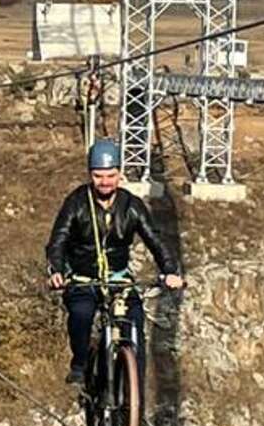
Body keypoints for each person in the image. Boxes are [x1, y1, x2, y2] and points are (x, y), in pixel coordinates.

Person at [45, 140, 185, 385]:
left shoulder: (132, 206)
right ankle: (80, 363)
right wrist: (56, 270)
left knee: (136, 333)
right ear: (90, 175)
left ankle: (134, 407)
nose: (105, 181)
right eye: (98, 176)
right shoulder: (76, 203)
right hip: (83, 280)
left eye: (111, 175)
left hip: (119, 281)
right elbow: (58, 239)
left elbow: (156, 240)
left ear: (120, 174)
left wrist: (170, 271)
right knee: (81, 314)